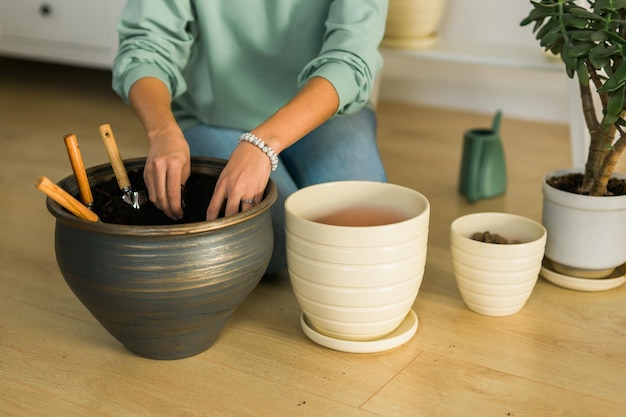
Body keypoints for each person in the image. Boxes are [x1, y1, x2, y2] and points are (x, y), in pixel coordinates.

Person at [111, 0, 389, 275]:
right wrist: (163, 131)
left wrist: (262, 144)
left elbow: (352, 57)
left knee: (360, 228)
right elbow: (145, 46)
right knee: (271, 242)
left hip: (326, 111)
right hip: (215, 115)